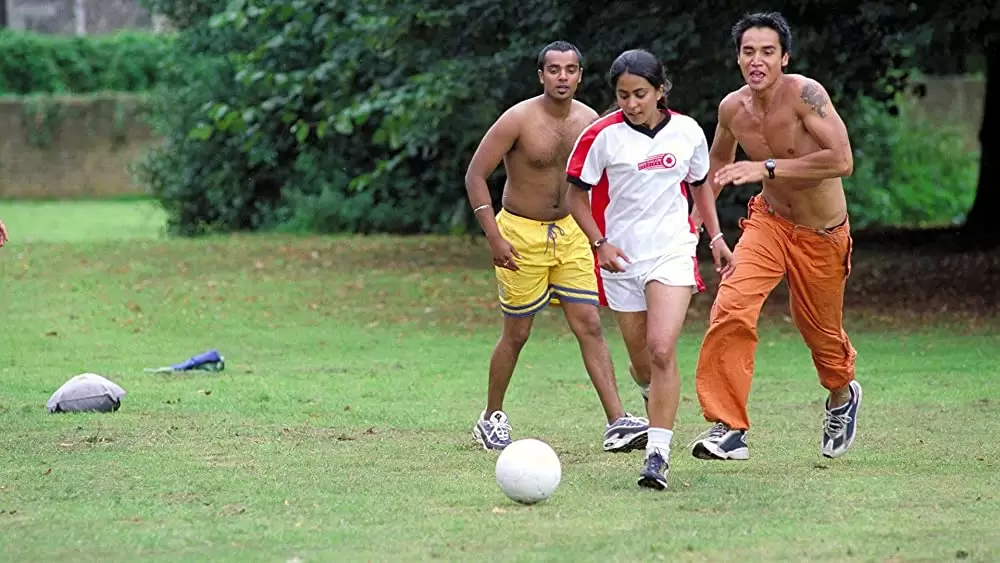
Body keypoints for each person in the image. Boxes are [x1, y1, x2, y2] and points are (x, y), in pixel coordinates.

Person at [687, 11, 862, 462]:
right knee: (731, 306)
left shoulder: (806, 94)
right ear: (738, 58)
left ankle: (842, 397)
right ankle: (729, 426)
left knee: (821, 334)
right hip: (768, 222)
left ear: (784, 57)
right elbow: (714, 174)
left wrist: (766, 167)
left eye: (767, 51)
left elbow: (842, 160)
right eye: (748, 51)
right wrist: (700, 231)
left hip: (822, 233)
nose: (757, 60)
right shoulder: (732, 109)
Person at [464, 40, 649, 453]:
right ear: (541, 75)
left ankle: (617, 421)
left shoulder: (589, 121)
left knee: (589, 323)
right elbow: (476, 175)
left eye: (570, 69)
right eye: (553, 69)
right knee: (518, 332)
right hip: (520, 235)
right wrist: (493, 235)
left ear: (580, 75)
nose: (562, 76)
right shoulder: (517, 119)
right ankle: (491, 416)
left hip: (570, 233)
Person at [566, 49, 734, 490]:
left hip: (673, 252)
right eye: (623, 95)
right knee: (642, 361)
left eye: (640, 94)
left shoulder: (688, 132)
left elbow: (700, 186)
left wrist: (714, 237)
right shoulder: (601, 136)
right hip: (622, 259)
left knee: (662, 349)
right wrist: (599, 244)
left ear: (661, 90)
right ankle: (649, 392)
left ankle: (657, 455)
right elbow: (574, 196)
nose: (631, 103)